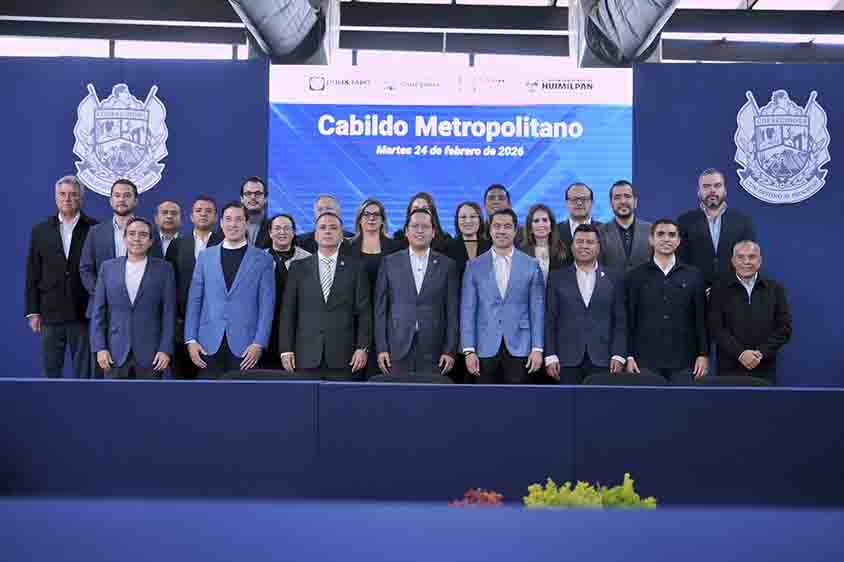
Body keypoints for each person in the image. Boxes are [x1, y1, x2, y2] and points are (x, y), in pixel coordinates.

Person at [184, 203, 275, 379]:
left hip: (246, 346)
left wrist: (259, 343)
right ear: (221, 222)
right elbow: (195, 300)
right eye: (228, 219)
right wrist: (191, 340)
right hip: (207, 343)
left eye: (239, 219)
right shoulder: (205, 256)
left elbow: (266, 306)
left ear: (246, 223)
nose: (233, 224)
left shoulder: (263, 259)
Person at [80, 178, 161, 376]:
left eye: (127, 195)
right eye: (117, 195)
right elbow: (85, 268)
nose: (121, 199)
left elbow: (157, 269)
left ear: (136, 201)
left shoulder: (149, 231)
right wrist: (103, 293)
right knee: (105, 375)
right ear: (110, 200)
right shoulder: (95, 232)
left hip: (141, 315)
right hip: (104, 313)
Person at [279, 212, 371, 381]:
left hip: (345, 357)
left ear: (342, 236)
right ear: (315, 235)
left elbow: (364, 312)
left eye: (333, 228)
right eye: (323, 228)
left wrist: (362, 347)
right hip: (305, 356)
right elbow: (288, 311)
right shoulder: (298, 268)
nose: (328, 231)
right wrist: (285, 349)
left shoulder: (356, 268)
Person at [24, 175, 98, 378]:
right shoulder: (40, 230)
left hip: (84, 312)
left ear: (81, 199)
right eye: (62, 194)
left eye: (73, 195)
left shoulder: (95, 228)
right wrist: (33, 311)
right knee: (50, 372)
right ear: (55, 198)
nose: (67, 199)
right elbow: (33, 272)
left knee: (85, 374)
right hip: (50, 313)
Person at [374, 208, 459, 381]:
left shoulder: (447, 265)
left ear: (433, 232)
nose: (420, 231)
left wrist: (449, 350)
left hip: (434, 349)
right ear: (406, 231)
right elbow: (381, 309)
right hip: (396, 347)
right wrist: (382, 347)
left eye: (425, 227)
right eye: (415, 226)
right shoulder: (390, 262)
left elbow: (452, 311)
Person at [460, 209, 544, 384]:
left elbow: (537, 310)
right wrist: (469, 350)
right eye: (496, 226)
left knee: (519, 403)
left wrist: (537, 348)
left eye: (507, 226)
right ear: (489, 230)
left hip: (521, 346)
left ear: (515, 230)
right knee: (484, 403)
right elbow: (468, 310)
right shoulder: (474, 266)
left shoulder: (531, 265)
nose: (501, 231)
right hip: (484, 346)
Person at [90, 218, 176, 379]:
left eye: (143, 235)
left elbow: (168, 312)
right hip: (114, 352)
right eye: (132, 234)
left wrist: (165, 349)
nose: (137, 239)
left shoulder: (164, 269)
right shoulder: (108, 268)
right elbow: (98, 312)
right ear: (124, 238)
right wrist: (100, 347)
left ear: (151, 241)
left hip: (151, 354)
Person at [625, 219, 708, 384]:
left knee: (683, 407)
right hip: (645, 360)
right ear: (651, 239)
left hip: (685, 361)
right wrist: (629, 355)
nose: (666, 239)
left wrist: (703, 355)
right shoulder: (635, 276)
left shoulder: (694, 275)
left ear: (678, 241)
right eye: (660, 234)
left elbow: (701, 319)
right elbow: (629, 319)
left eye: (672, 235)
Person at [545, 224, 626, 385]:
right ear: (572, 246)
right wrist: (550, 355)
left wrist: (619, 354)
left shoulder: (615, 278)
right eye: (579, 242)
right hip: (566, 359)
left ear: (598, 247)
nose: (584, 246)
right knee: (567, 408)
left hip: (604, 359)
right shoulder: (556, 278)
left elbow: (620, 321)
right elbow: (550, 319)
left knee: (601, 407)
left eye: (590, 242)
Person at [709, 241, 792, 384]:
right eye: (740, 257)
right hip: (728, 369)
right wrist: (741, 354)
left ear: (759, 261)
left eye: (752, 257)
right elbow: (716, 328)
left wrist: (760, 353)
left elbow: (784, 328)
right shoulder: (719, 289)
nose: (746, 261)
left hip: (764, 368)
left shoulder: (775, 289)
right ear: (733, 261)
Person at [164, 195, 223, 379]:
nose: (203, 214)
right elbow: (170, 284)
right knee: (182, 382)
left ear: (216, 217)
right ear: (191, 217)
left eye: (208, 211)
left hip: (216, 325)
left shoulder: (225, 243)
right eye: (199, 210)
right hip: (183, 326)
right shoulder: (177, 244)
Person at [677, 168, 756, 288]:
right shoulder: (684, 221)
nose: (712, 190)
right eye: (706, 186)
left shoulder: (742, 221)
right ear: (699, 191)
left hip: (732, 293)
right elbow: (680, 261)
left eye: (717, 185)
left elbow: (749, 260)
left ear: (725, 190)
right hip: (695, 294)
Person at [263, 213, 311, 369]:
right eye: (277, 228)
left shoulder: (308, 259)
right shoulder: (257, 258)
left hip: (298, 331)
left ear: (294, 232)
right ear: (270, 233)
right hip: (265, 331)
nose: (282, 232)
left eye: (286, 228)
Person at [599, 180, 652, 272]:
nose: (623, 201)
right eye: (617, 197)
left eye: (627, 196)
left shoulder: (651, 230)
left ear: (635, 202)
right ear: (611, 203)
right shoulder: (599, 232)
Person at [444, 202, 492, 281]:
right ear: (457, 221)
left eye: (473, 216)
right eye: (463, 217)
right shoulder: (447, 248)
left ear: (480, 220)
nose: (468, 221)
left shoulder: (490, 247)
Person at [520, 203, 567, 283]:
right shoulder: (521, 253)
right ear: (530, 228)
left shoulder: (562, 250)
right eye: (536, 221)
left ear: (551, 225)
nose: (541, 224)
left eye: (545, 220)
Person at [558, 182, 601, 261]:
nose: (579, 203)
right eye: (574, 199)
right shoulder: (554, 231)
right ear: (566, 203)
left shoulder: (605, 230)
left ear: (592, 203)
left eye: (584, 199)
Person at [240, 176, 271, 248]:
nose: (253, 197)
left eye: (258, 193)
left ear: (265, 198)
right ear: (241, 198)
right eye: (248, 193)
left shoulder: (273, 227)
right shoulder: (229, 226)